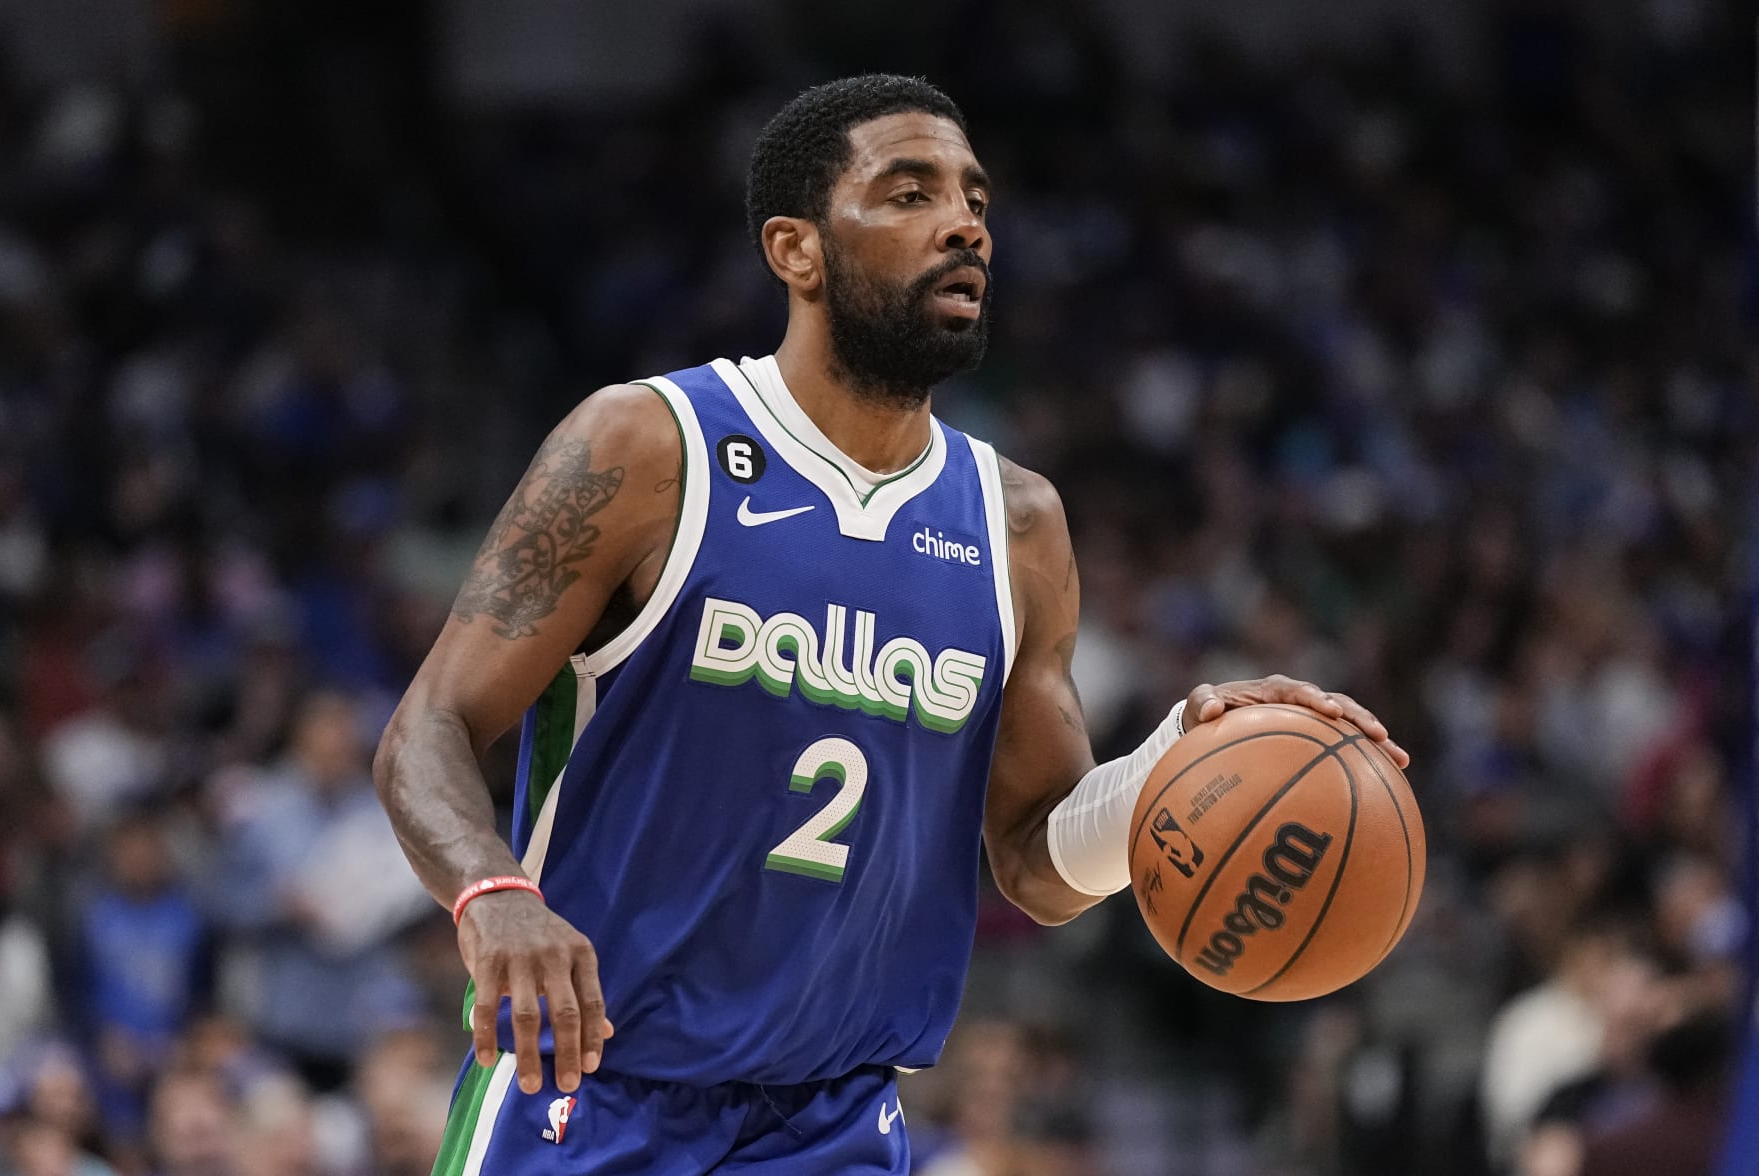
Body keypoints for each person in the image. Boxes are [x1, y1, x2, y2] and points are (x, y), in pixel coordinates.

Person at [375, 74, 1410, 1175]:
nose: (965, 223)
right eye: (908, 193)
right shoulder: (648, 447)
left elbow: (1036, 863)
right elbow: (427, 729)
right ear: (797, 249)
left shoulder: (1015, 523)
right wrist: (494, 897)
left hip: (835, 1125)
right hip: (592, 1094)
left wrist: (1170, 767)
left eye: (975, 198)